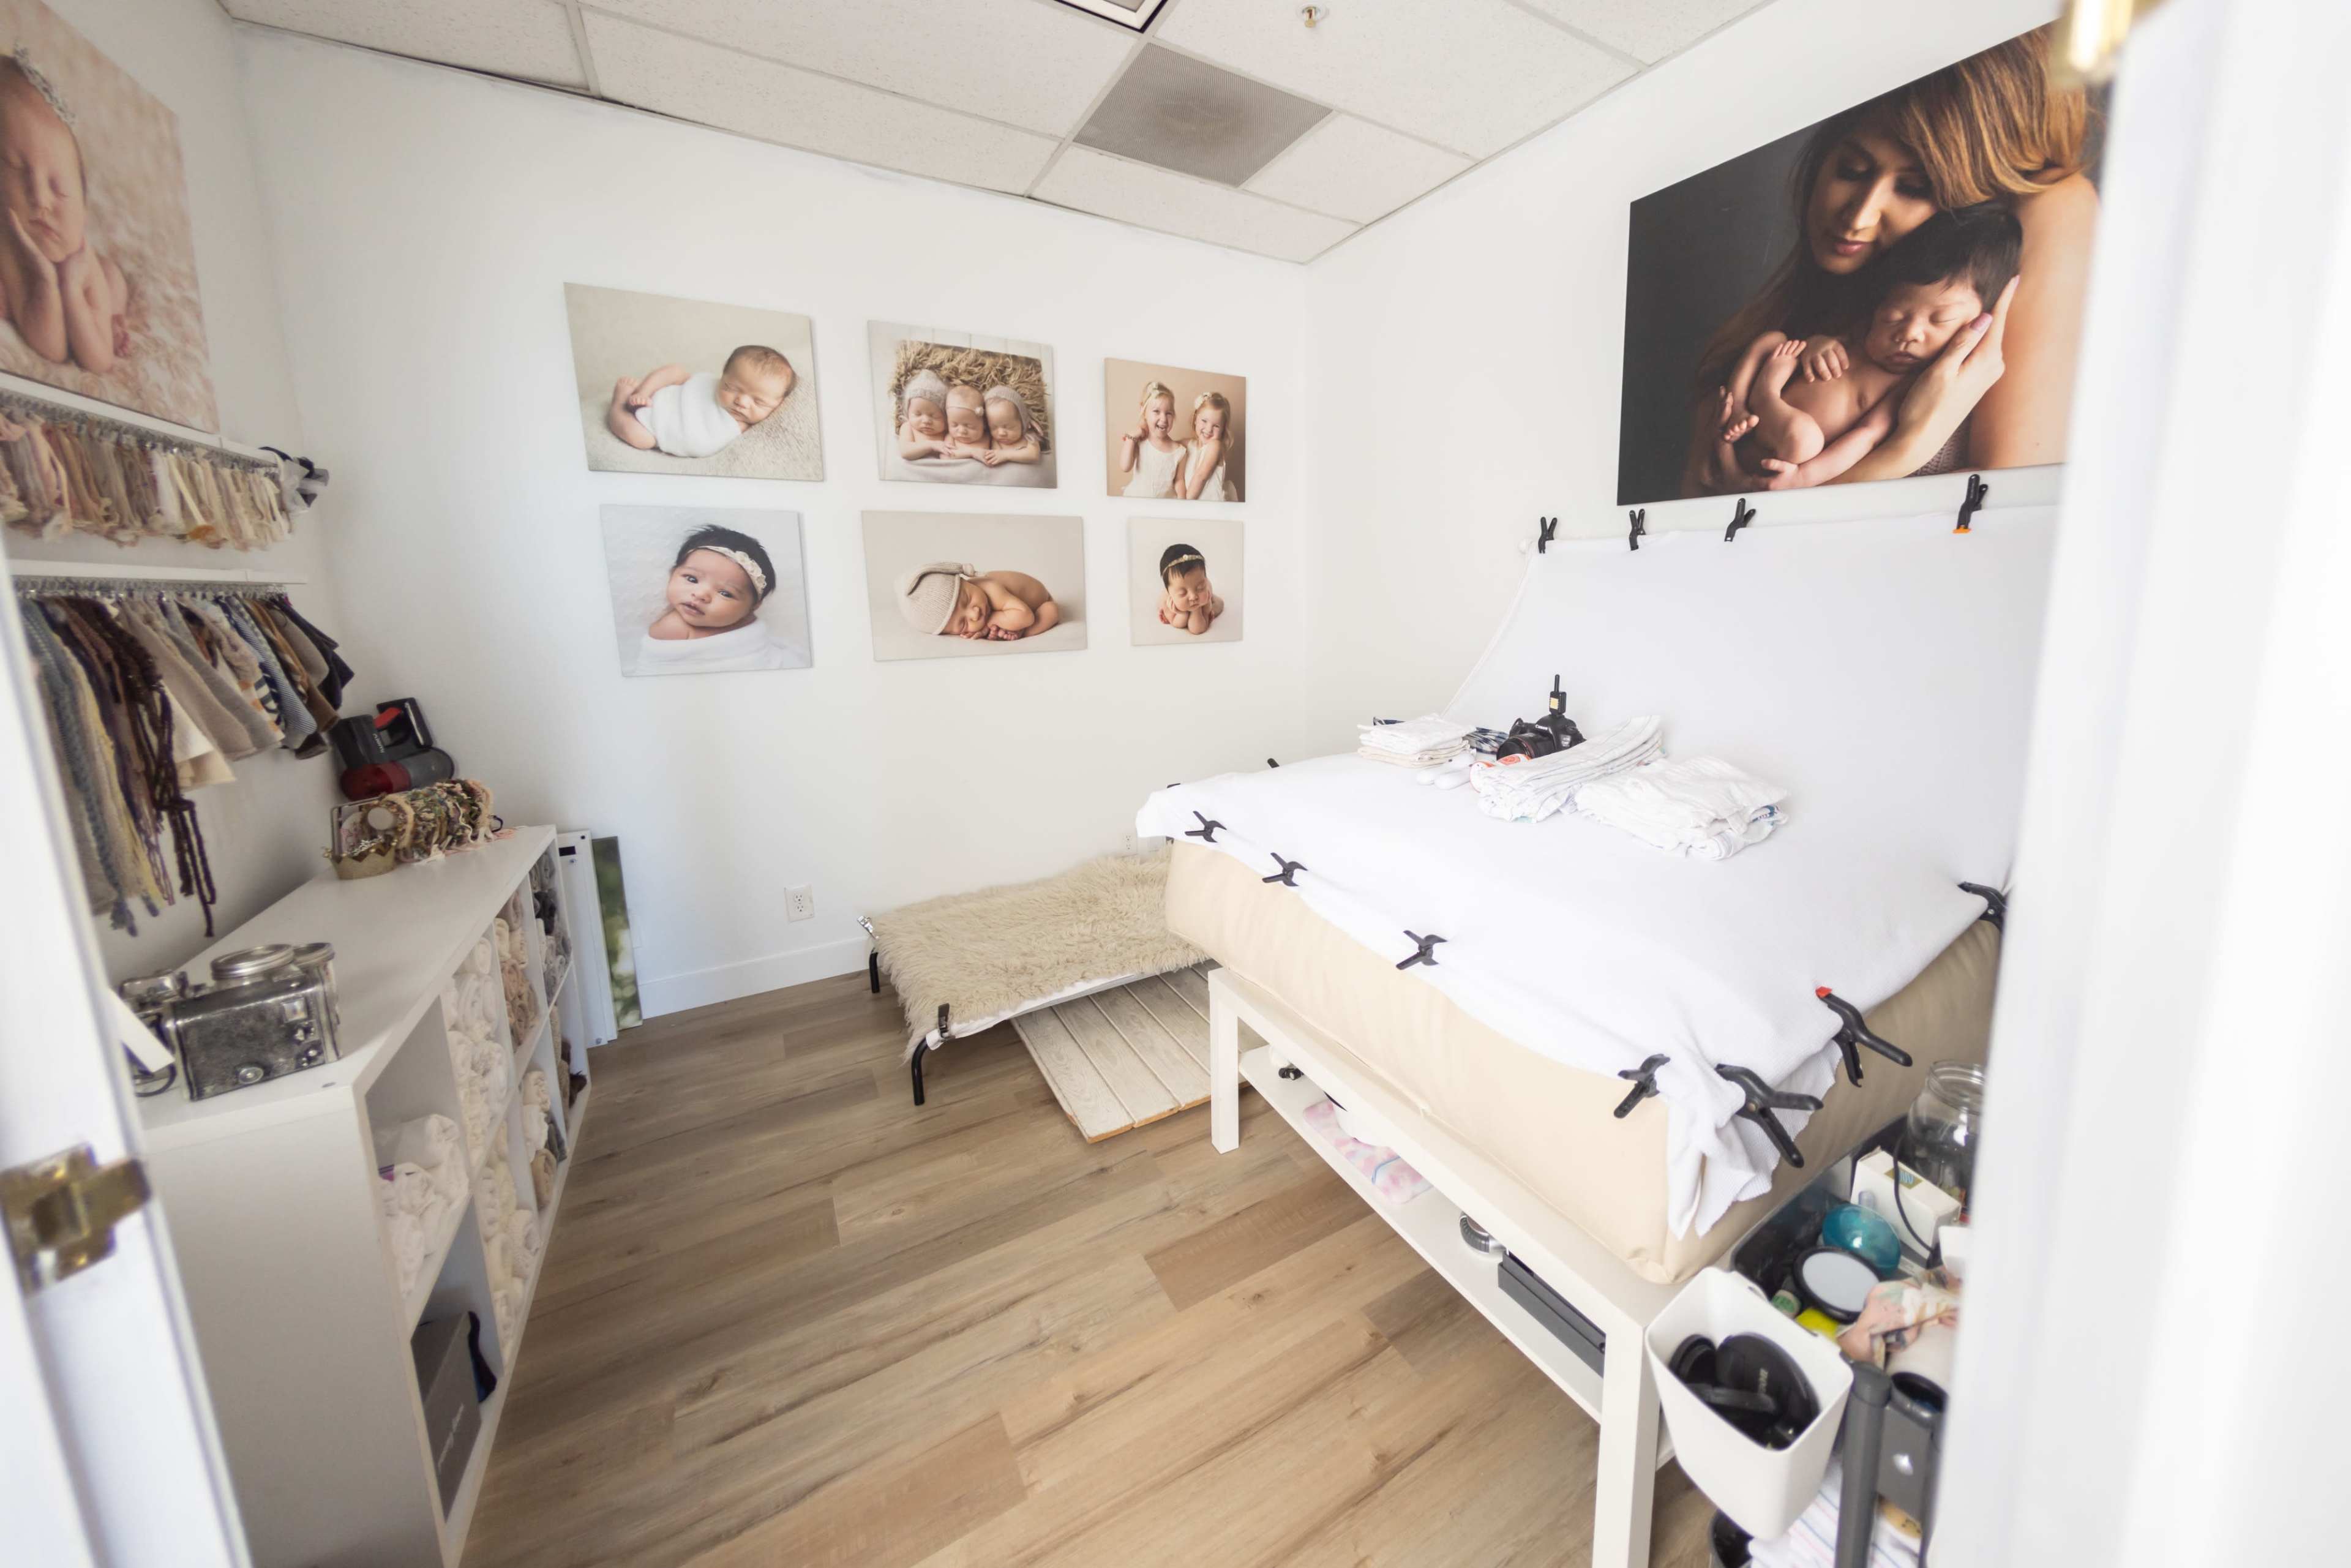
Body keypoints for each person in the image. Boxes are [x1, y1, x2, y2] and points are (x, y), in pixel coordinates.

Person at [1681, 27, 2096, 496]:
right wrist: (1902, 453)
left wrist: (1905, 450)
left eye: (1916, 188)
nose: (1858, 217)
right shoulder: (1765, 332)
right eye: (1851, 171)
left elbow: (2007, 501)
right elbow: (1698, 509)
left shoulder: (2044, 215)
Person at [1717, 207, 2021, 490]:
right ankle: (1742, 402)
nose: (1909, 333)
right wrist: (1817, 345)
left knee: (1804, 440)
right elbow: (1808, 344)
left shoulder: (1909, 385)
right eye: (1894, 317)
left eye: (1941, 320)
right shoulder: (1861, 336)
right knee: (1772, 340)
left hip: (1788, 450)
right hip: (1755, 425)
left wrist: (1804, 477)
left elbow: (1867, 437)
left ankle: (1754, 413)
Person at [0, 52, 129, 373]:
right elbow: (53, 350)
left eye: (59, 188)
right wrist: (42, 276)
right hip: (27, 277)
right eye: (16, 169)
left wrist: (72, 291)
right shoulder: (8, 251)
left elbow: (99, 361)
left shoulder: (82, 261)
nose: (42, 200)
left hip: (90, 286)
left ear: (84, 205)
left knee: (113, 278)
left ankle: (113, 318)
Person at [634, 525, 793, 673]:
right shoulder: (672, 627)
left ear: (753, 607)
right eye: (692, 579)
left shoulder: (749, 628)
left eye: (725, 593)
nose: (701, 595)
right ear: (672, 574)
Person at [607, 345, 796, 460]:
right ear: (723, 375)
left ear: (778, 404)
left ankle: (619, 405)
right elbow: (685, 382)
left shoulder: (744, 428)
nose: (742, 402)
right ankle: (641, 391)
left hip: (651, 426)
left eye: (759, 402)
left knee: (641, 440)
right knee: (677, 371)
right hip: (659, 398)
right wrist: (647, 393)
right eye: (732, 388)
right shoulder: (709, 383)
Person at [896, 561, 1060, 642]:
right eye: (963, 624)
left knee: (1052, 610)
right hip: (1017, 611)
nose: (975, 614)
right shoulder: (979, 606)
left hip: (1040, 602)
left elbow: (1027, 617)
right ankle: (1015, 628)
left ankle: (1023, 632)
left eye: (967, 599)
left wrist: (990, 622)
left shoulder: (988, 587)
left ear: (965, 581)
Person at [1118, 380, 1185, 498]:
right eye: (1156, 411)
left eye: (1169, 413)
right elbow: (1125, 466)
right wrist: (1131, 439)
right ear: (1143, 412)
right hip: (1137, 502)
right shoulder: (1139, 441)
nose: (1163, 419)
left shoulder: (1179, 451)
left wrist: (1182, 502)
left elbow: (1179, 481)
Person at [1175, 391, 1237, 501]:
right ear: (1195, 420)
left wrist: (1186, 502)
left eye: (1216, 426)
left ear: (1223, 430)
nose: (1209, 429)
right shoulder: (1190, 444)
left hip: (1209, 506)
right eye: (1204, 421)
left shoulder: (1215, 446)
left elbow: (1201, 477)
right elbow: (1170, 445)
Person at [1154, 543, 1224, 636]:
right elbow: (1178, 624)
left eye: (1200, 588)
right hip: (1170, 600)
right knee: (1162, 605)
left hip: (1208, 596)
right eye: (1182, 593)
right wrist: (1181, 613)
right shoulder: (1168, 602)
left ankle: (1209, 597)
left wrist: (1198, 610)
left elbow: (1197, 629)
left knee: (1217, 606)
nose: (1193, 597)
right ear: (1170, 593)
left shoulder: (1206, 596)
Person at [977, 385, 1043, 467]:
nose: (1001, 433)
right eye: (994, 428)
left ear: (1022, 422)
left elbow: (1034, 455)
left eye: (1009, 427)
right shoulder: (995, 440)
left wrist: (1006, 455)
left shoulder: (1029, 435)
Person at [894, 369, 952, 461]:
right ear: (908, 413)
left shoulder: (948, 433)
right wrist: (931, 445)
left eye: (934, 416)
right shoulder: (908, 428)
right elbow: (905, 452)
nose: (926, 421)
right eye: (917, 414)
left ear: (946, 418)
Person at [941, 383, 993, 461]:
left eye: (969, 426)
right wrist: (972, 452)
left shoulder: (988, 437)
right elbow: (945, 457)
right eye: (954, 425)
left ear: (984, 423)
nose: (962, 431)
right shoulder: (951, 438)